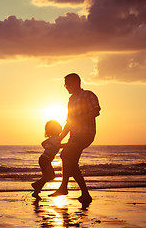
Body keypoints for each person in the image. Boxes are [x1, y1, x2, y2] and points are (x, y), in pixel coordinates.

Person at [49, 73, 100, 205]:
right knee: (72, 163)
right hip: (74, 136)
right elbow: (69, 123)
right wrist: (59, 139)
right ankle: (85, 194)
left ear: (76, 83)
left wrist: (79, 120)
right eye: (64, 84)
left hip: (86, 134)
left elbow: (96, 111)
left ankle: (64, 187)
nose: (65, 87)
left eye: (67, 84)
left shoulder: (88, 94)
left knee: (65, 155)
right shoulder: (71, 101)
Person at [31, 120, 62, 200]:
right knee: (51, 176)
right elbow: (44, 143)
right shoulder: (55, 138)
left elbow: (45, 143)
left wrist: (50, 146)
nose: (61, 127)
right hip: (45, 159)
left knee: (46, 176)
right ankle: (36, 184)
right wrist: (68, 145)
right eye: (59, 126)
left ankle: (36, 192)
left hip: (45, 159)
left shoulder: (55, 138)